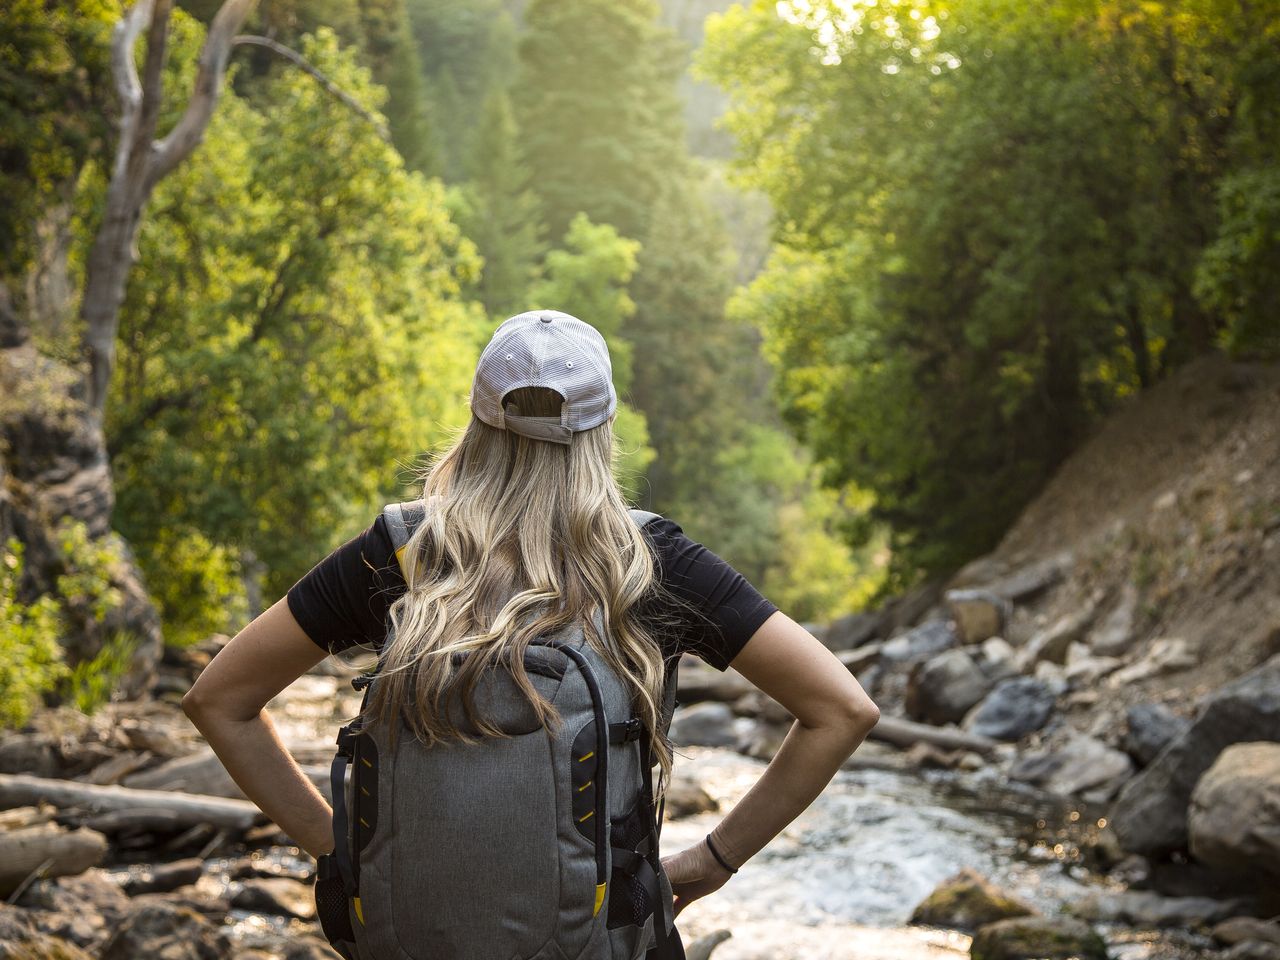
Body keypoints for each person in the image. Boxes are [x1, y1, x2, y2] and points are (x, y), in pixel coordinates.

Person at [182, 309, 880, 946]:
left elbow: (219, 700)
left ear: (477, 422)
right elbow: (841, 710)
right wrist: (713, 860)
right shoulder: (651, 563)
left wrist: (341, 849)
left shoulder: (399, 550)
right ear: (603, 432)